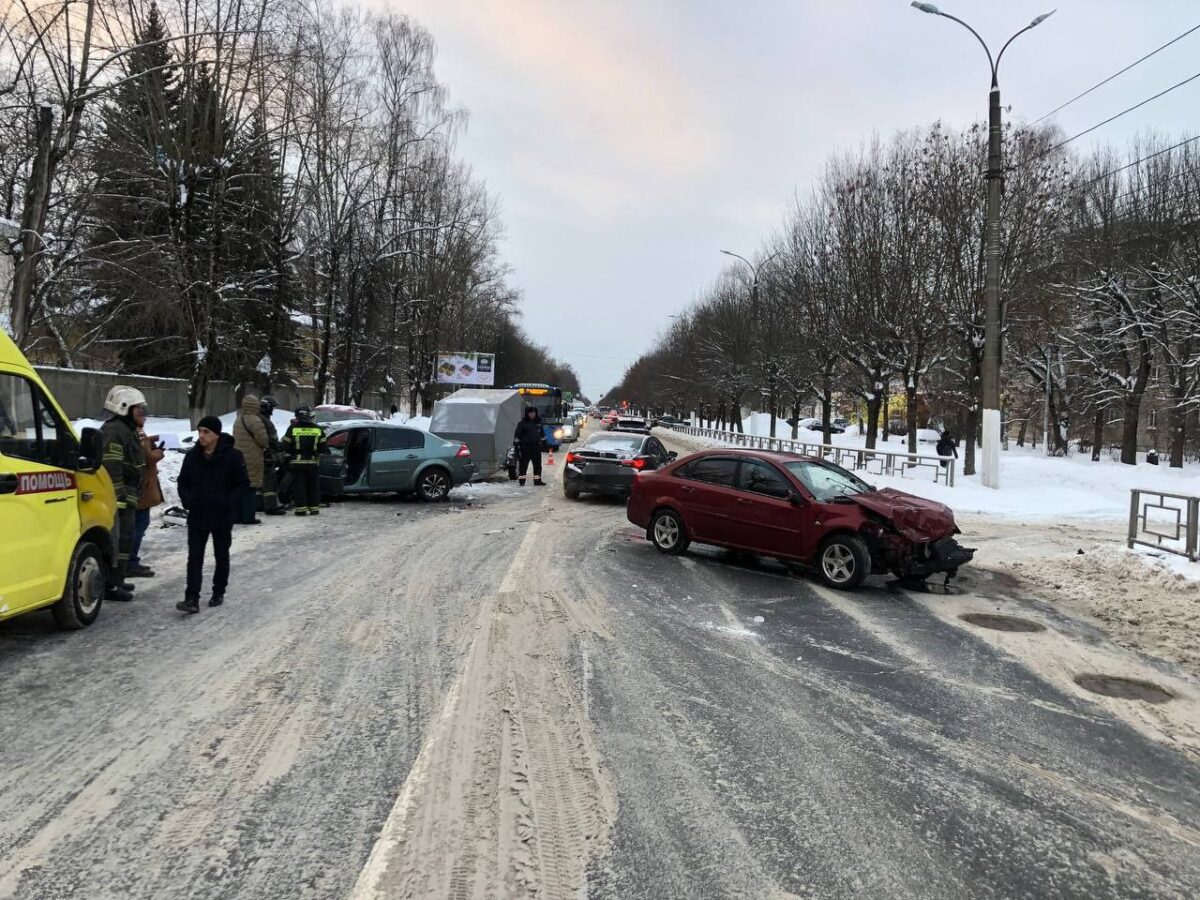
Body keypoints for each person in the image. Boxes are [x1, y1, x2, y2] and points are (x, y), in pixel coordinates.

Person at [176, 416, 249, 614]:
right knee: (195, 557)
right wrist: (188, 500)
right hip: (198, 514)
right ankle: (191, 597)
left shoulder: (233, 456)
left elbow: (242, 484)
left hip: (222, 515)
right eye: (199, 431)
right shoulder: (192, 456)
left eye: (206, 431)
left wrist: (228, 502)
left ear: (216, 434)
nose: (201, 435)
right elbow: (183, 482)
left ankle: (218, 590)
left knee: (221, 555)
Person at [100, 386, 148, 601]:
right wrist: (119, 496)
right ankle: (110, 585)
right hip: (118, 497)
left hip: (127, 494)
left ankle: (117, 579)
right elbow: (112, 466)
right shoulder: (114, 431)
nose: (144, 414)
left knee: (125, 539)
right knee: (117, 540)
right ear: (124, 409)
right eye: (140, 410)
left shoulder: (126, 430)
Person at [128, 410, 165, 578]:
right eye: (140, 414)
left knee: (139, 524)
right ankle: (130, 562)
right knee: (139, 524)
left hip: (141, 484)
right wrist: (158, 453)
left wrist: (151, 441)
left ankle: (130, 561)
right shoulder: (134, 432)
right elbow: (146, 456)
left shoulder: (134, 430)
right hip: (141, 486)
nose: (144, 416)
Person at [282, 405, 326, 515]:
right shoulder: (318, 429)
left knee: (299, 487)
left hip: (297, 463)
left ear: (298, 415)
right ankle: (314, 509)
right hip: (313, 462)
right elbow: (323, 448)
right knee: (313, 486)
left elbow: (285, 446)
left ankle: (301, 510)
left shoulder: (293, 428)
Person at [233, 394, 268, 525]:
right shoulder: (256, 421)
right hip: (253, 458)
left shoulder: (238, 420)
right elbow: (263, 440)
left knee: (240, 488)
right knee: (251, 488)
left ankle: (237, 516)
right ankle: (248, 517)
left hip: (238, 458)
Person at [258, 395, 285, 515]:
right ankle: (271, 506)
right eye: (272, 408)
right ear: (267, 408)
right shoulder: (265, 421)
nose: (273, 411)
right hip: (265, 455)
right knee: (270, 480)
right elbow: (272, 439)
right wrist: (279, 448)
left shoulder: (255, 418)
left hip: (256, 454)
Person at [513, 406, 546, 486]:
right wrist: (517, 447)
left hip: (536, 448)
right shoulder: (522, 424)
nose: (533, 415)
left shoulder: (538, 422)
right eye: (531, 413)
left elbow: (542, 435)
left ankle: (537, 481)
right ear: (527, 414)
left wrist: (544, 444)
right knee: (523, 466)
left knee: (537, 466)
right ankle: (522, 481)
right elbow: (517, 435)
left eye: (534, 413)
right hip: (525, 448)